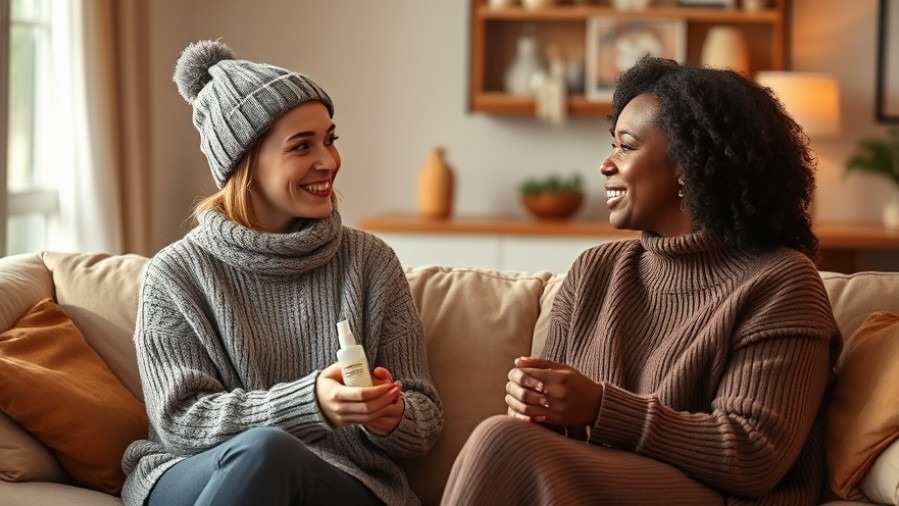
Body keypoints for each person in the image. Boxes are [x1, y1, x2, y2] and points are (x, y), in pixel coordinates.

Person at [441, 56, 842, 505]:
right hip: (593, 487)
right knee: (507, 437)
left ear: (689, 166)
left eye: (627, 147)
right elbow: (546, 434)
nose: (605, 165)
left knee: (501, 441)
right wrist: (536, 404)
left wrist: (599, 407)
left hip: (721, 497)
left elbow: (752, 455)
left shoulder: (781, 282)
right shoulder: (596, 270)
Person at [121, 40, 443, 506]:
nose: (328, 161)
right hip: (191, 472)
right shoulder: (175, 275)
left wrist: (389, 415)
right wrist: (310, 402)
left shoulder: (370, 263)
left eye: (330, 139)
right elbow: (181, 423)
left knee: (270, 453)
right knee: (264, 451)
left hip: (342, 481)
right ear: (246, 165)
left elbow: (425, 418)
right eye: (301, 146)